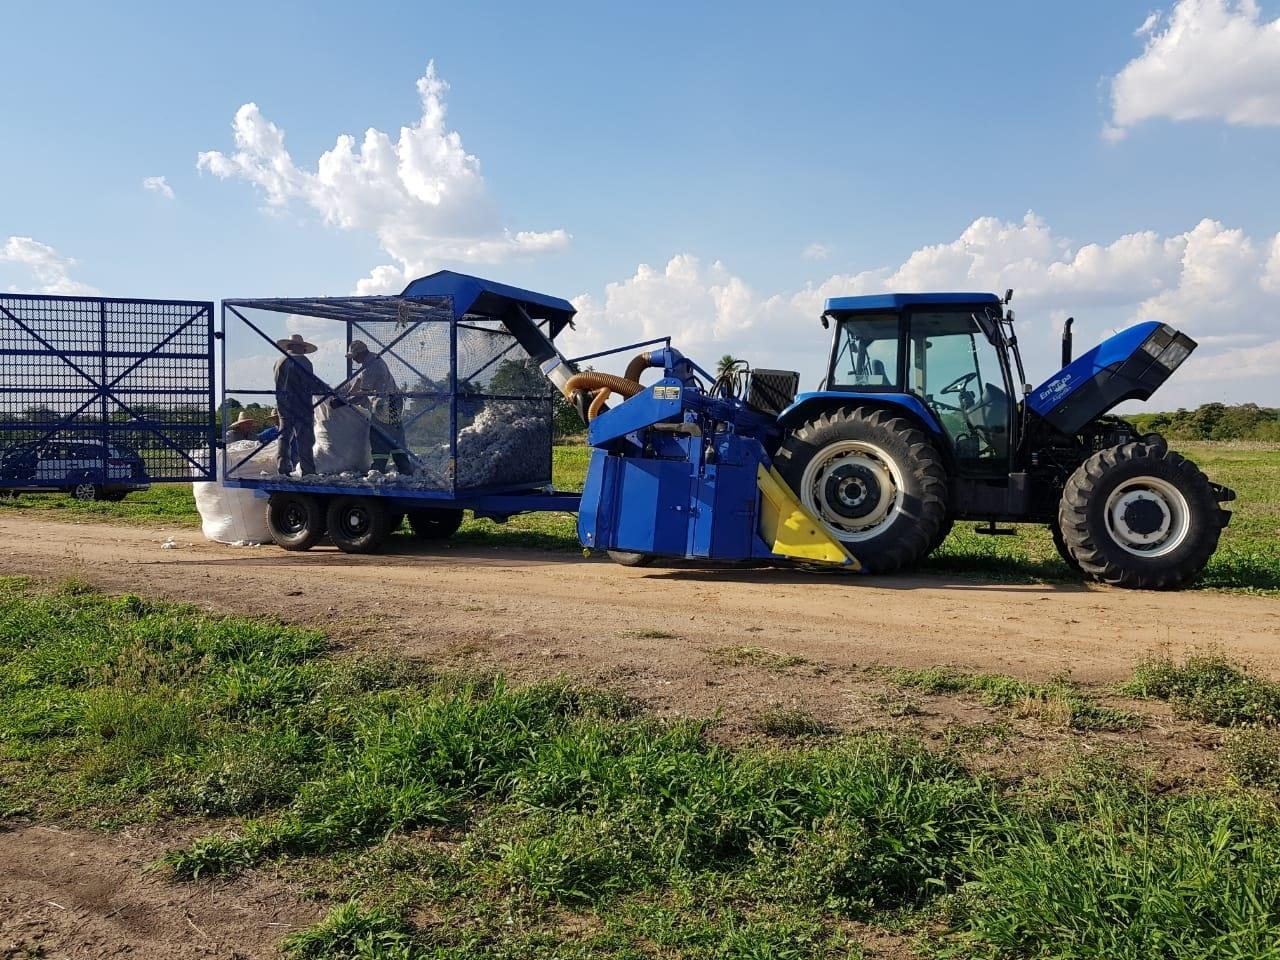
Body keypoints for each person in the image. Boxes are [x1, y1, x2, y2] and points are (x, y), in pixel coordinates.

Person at [343, 340, 412, 475]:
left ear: (360, 354)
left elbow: (363, 394)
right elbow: (357, 382)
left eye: (355, 356)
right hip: (391, 401)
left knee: (378, 435)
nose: (354, 360)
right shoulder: (370, 360)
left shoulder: (370, 365)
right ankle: (404, 468)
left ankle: (379, 468)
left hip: (386, 403)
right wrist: (347, 395)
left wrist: (343, 402)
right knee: (394, 434)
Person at [274, 334, 321, 476]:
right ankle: (308, 471)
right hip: (301, 405)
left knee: (284, 437)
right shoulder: (303, 361)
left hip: (283, 404)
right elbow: (310, 382)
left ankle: (283, 469)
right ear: (296, 346)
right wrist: (327, 390)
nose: (304, 350)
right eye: (303, 347)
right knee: (305, 439)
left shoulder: (279, 361)